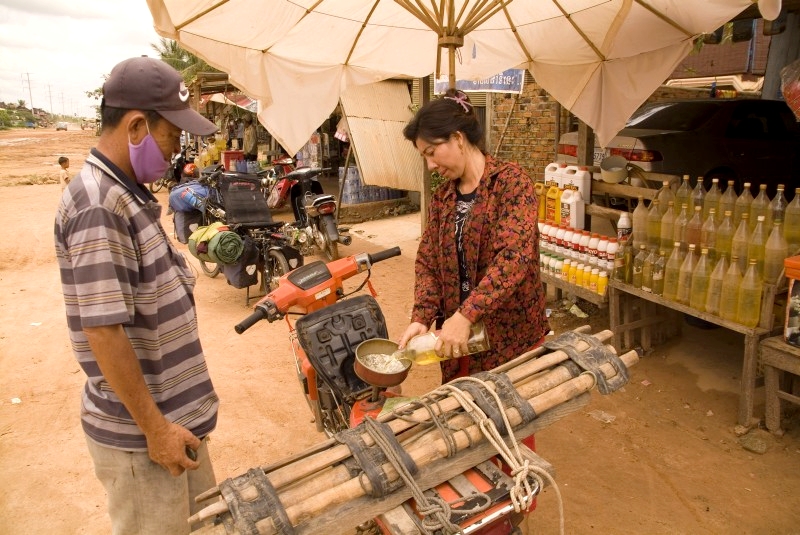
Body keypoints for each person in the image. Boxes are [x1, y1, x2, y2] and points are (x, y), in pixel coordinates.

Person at [54, 56, 220, 535]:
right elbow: (103, 331)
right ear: (136, 126)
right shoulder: (98, 204)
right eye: (171, 136)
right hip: (147, 441)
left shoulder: (127, 192)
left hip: (173, 429)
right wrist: (156, 430)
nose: (174, 150)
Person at [398, 89, 550, 385]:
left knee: (508, 421)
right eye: (424, 156)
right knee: (466, 418)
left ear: (457, 138)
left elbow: (512, 259)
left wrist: (466, 314)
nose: (430, 165)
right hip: (459, 340)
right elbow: (428, 263)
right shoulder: (443, 198)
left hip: (510, 338)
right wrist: (421, 316)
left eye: (431, 152)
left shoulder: (511, 183)